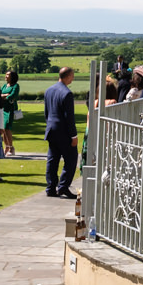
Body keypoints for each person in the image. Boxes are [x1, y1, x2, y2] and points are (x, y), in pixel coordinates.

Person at [43, 66, 79, 199]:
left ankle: (51, 187)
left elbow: (47, 112)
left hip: (51, 129)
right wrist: (73, 136)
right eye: (72, 75)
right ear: (68, 76)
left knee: (52, 160)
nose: (73, 78)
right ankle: (63, 186)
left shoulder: (49, 90)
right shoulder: (67, 93)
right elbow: (69, 118)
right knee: (71, 159)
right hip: (63, 131)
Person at [0, 69, 21, 157]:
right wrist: (5, 95)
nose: (6, 76)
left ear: (12, 77)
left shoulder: (16, 86)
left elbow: (12, 96)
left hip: (10, 110)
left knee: (7, 128)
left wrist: (4, 96)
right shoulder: (5, 86)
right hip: (3, 109)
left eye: (8, 75)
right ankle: (7, 147)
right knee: (3, 129)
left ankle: (11, 147)